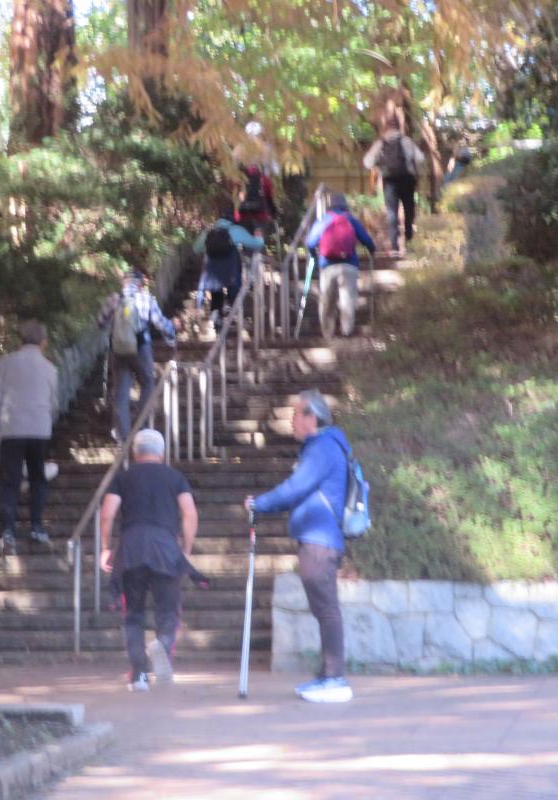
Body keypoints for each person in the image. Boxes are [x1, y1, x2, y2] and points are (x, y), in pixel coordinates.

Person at [244, 390, 353, 704]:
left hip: (320, 541)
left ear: (311, 417)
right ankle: (328, 676)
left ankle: (335, 679)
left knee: (327, 610)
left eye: (295, 415)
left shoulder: (322, 448)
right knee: (324, 610)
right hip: (318, 540)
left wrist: (260, 503)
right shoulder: (324, 448)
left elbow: (295, 488)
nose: (291, 421)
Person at [99, 429, 199, 691]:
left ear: (135, 452)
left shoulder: (124, 478)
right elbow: (189, 514)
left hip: (131, 549)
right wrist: (186, 550)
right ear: (162, 453)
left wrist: (106, 547)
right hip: (166, 549)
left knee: (133, 615)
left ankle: (139, 677)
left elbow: (107, 513)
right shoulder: (175, 478)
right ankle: (162, 646)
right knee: (168, 611)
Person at [0, 319, 58, 556]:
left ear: (21, 340)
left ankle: (9, 531)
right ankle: (36, 527)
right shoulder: (50, 369)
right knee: (38, 479)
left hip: (11, 430)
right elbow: (54, 404)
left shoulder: (6, 363)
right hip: (40, 430)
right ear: (43, 343)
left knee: (10, 481)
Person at [98, 270, 180, 443]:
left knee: (121, 391)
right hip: (141, 348)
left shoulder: (114, 299)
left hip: (118, 350)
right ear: (140, 283)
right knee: (147, 383)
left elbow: (100, 323)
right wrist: (172, 331)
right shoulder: (146, 298)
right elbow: (160, 323)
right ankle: (141, 428)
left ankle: (122, 435)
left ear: (124, 282)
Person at [305, 192, 376, 339]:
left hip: (328, 266)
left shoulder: (323, 220)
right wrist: (371, 250)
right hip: (349, 265)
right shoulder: (350, 219)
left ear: (329, 206)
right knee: (348, 299)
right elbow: (367, 240)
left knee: (327, 301)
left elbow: (310, 242)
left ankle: (327, 333)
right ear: (345, 206)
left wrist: (314, 255)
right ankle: (347, 331)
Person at [194, 208, 265, 329]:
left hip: (213, 277)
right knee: (235, 272)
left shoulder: (208, 233)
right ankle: (231, 304)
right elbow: (257, 244)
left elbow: (196, 249)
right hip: (231, 276)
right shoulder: (236, 231)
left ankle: (215, 311)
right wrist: (259, 236)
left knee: (216, 287)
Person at [363, 115, 425, 253]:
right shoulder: (407, 141)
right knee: (409, 211)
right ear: (399, 127)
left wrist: (379, 166)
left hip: (389, 181)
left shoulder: (381, 143)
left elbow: (367, 162)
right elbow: (420, 158)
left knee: (392, 213)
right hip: (408, 180)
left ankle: (395, 247)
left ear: (386, 128)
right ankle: (409, 242)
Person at [235, 162, 277, 234]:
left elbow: (236, 199)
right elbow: (269, 198)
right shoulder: (264, 180)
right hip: (260, 217)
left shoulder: (241, 180)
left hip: (244, 216)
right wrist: (274, 214)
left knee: (246, 241)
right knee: (258, 241)